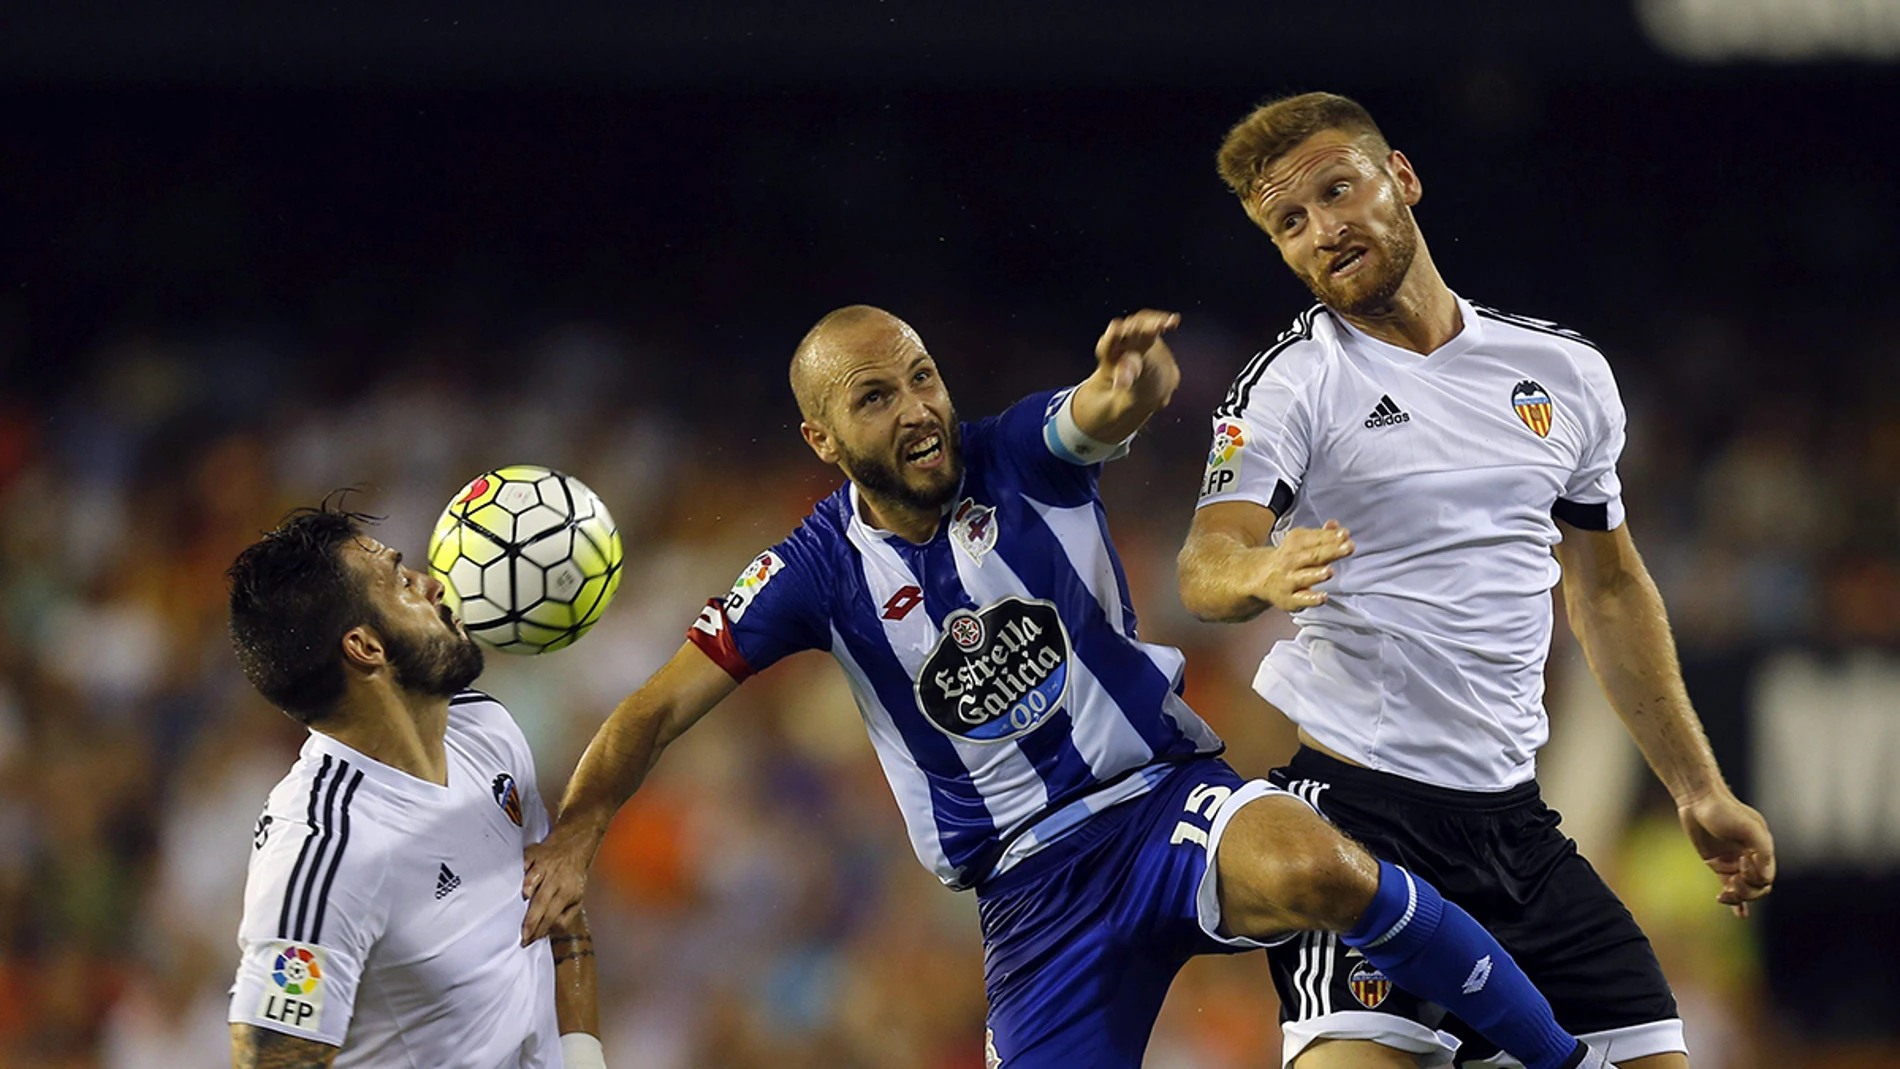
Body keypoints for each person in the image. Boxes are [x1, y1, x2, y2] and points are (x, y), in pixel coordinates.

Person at [519, 304, 1616, 1069]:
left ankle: (1564, 1060)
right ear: (822, 437)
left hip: (1159, 805)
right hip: (1032, 901)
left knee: (1319, 865)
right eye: (875, 397)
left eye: (922, 376)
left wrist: (1136, 383)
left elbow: (1103, 408)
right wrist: (573, 838)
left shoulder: (1017, 454)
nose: (917, 408)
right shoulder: (809, 570)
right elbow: (656, 705)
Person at [1178, 91, 1777, 1069]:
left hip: (1519, 832)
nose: (1322, 229)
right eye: (1288, 222)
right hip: (1362, 834)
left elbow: (1608, 590)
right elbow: (1205, 564)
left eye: (1337, 190)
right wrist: (1260, 567)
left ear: (1401, 178)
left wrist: (1697, 788)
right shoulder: (1293, 384)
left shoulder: (1563, 373)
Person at [224, 504, 606, 1069]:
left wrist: (582, 1056)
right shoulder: (323, 850)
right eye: (401, 581)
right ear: (365, 647)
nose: (432, 585)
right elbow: (269, 1061)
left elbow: (555, 907)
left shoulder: (484, 728)